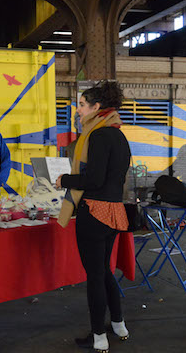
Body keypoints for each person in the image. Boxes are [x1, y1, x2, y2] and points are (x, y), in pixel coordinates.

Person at [56, 81, 132, 353]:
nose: (78, 110)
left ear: (96, 107)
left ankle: (99, 335)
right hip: (115, 212)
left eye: (82, 105)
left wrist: (64, 178)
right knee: (104, 271)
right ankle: (119, 324)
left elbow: (94, 179)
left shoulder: (97, 136)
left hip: (94, 212)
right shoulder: (119, 135)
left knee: (95, 277)